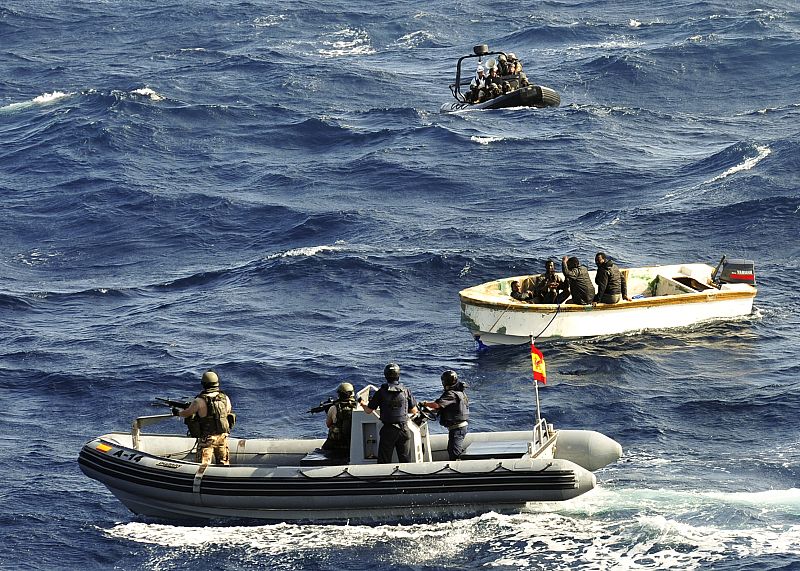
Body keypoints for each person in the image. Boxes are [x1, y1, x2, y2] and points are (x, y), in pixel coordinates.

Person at [362, 363, 419, 463]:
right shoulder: (406, 391)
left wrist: (362, 403)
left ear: (386, 375)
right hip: (404, 430)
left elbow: (368, 410)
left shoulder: (381, 392)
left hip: (388, 430)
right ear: (398, 375)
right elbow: (414, 411)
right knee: (405, 460)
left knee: (384, 461)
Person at [175, 370, 233, 466]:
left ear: (204, 384)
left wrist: (178, 413)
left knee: (202, 465)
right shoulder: (225, 398)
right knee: (224, 463)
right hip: (223, 436)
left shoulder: (199, 400)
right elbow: (228, 412)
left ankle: (201, 480)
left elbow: (187, 413)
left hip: (207, 439)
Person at [420, 370, 469, 460]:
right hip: (460, 427)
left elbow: (437, 405)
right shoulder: (459, 392)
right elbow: (444, 407)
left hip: (457, 428)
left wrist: (425, 403)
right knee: (452, 449)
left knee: (455, 453)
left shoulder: (451, 394)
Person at [321, 382, 357, 457]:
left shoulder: (333, 408)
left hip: (336, 445)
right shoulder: (358, 406)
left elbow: (328, 424)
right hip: (353, 443)